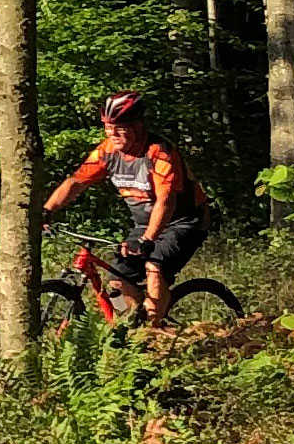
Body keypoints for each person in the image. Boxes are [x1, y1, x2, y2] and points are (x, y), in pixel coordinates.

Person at [40, 89, 210, 324]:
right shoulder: (107, 151)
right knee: (117, 279)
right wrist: (46, 211)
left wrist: (148, 240)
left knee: (154, 265)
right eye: (108, 127)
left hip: (184, 221)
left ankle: (153, 329)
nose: (113, 134)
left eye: (120, 127)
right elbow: (76, 183)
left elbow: (165, 201)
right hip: (145, 223)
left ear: (139, 126)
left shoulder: (159, 153)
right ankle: (134, 323)